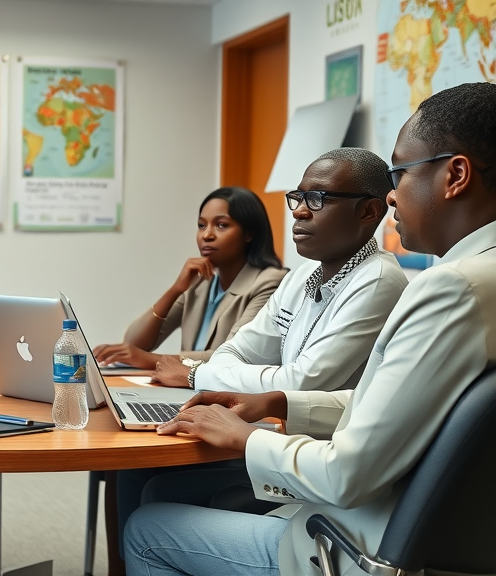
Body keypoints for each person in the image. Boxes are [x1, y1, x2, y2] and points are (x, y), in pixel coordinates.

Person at [125, 81, 496, 576]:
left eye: (401, 172)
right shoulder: (476, 279)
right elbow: (401, 403)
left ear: (455, 175)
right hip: (439, 530)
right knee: (160, 492)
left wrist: (245, 437)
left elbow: (347, 473)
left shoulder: (448, 288)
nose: (392, 194)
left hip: (355, 540)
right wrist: (283, 403)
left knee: (147, 528)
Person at [114, 147, 409, 566]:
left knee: (149, 510)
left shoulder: (378, 280)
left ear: (369, 212)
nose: (300, 212)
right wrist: (218, 372)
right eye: (298, 197)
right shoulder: (305, 273)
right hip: (282, 438)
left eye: (318, 199)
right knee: (154, 490)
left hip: (313, 459)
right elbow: (239, 346)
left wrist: (201, 376)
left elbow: (304, 382)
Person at [93, 187, 287, 369]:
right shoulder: (202, 282)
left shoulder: (270, 282)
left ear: (249, 234)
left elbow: (234, 356)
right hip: (189, 390)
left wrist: (153, 361)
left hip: (228, 398)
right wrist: (176, 289)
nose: (207, 235)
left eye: (221, 225)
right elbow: (134, 344)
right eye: (202, 225)